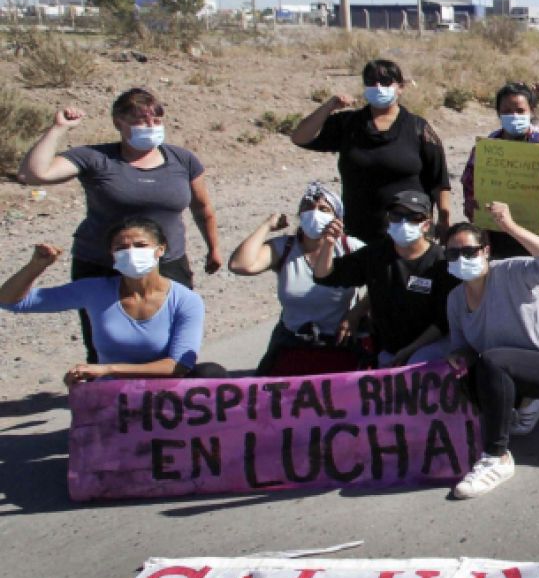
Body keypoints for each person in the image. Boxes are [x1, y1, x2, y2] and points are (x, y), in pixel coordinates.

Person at [18, 89, 224, 361]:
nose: (150, 126)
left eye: (156, 120)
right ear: (118, 122)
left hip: (166, 264)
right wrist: (58, 129)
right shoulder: (95, 158)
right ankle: (105, 383)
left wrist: (213, 248)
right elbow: (34, 174)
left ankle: (166, 387)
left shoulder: (182, 160)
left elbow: (202, 208)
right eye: (140, 121)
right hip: (102, 265)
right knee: (104, 342)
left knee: (170, 343)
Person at [443, 202, 539, 500]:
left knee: (493, 362)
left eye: (470, 252)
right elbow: (462, 347)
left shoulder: (510, 271)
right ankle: (523, 405)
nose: (462, 259)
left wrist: (510, 227)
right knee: (468, 375)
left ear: (486, 251)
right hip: (508, 371)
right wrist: (457, 358)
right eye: (453, 254)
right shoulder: (455, 299)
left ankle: (497, 457)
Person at [2, 218, 223, 386]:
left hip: (165, 396)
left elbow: (179, 365)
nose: (131, 253)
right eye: (121, 248)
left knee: (212, 374)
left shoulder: (185, 300)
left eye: (140, 245)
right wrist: (36, 266)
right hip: (112, 395)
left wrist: (108, 369)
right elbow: (11, 301)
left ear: (160, 249)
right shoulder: (95, 291)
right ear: (112, 254)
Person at [290, 59, 453, 243]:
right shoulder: (348, 124)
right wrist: (329, 106)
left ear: (400, 88)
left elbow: (439, 180)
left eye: (385, 82)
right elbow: (300, 138)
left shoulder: (418, 128)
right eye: (371, 81)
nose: (378, 87)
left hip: (409, 232)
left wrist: (444, 220)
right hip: (359, 233)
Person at [227, 181, 366, 376]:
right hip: (293, 343)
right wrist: (266, 226)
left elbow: (380, 280)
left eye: (323, 209)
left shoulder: (349, 248)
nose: (314, 213)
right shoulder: (284, 248)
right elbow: (239, 265)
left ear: (337, 218)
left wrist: (356, 313)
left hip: (338, 344)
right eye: (308, 207)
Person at [310, 189, 458, 368]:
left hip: (431, 349)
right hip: (389, 351)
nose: (404, 222)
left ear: (426, 224)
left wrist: (410, 351)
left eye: (413, 217)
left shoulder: (441, 262)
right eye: (396, 216)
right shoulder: (376, 254)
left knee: (417, 363)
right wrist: (328, 243)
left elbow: (443, 321)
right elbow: (324, 276)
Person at [461, 81, 539, 258]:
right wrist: (475, 208)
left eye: (520, 111)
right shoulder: (486, 149)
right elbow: (469, 186)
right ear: (498, 113)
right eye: (507, 111)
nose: (514, 116)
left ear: (531, 111)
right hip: (498, 235)